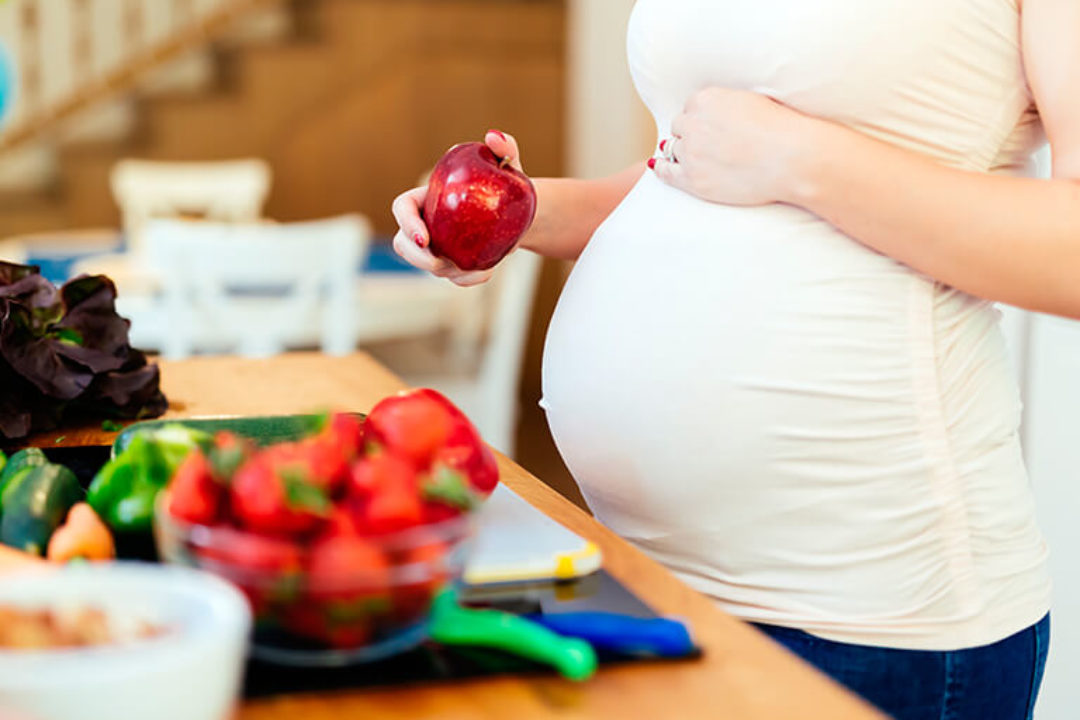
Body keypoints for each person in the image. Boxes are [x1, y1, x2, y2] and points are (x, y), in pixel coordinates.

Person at [391, 1, 1078, 717]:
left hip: (867, 622)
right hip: (644, 580)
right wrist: (522, 211)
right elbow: (695, 166)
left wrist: (802, 158)